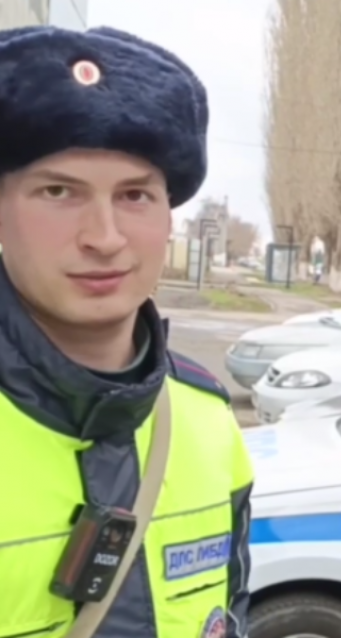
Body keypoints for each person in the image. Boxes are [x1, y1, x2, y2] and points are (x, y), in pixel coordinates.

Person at [0, 26, 253, 637]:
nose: (105, 237)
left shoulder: (208, 419)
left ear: (168, 219)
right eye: (58, 191)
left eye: (135, 195)